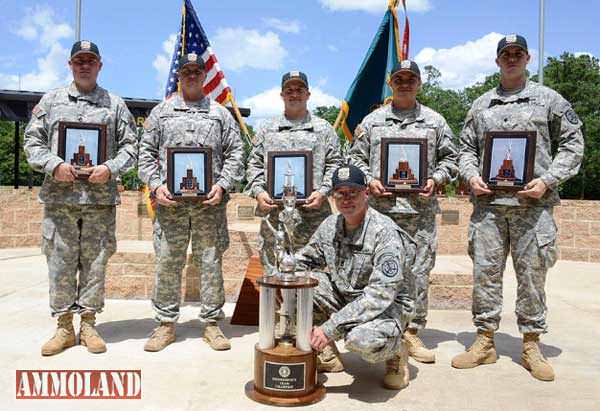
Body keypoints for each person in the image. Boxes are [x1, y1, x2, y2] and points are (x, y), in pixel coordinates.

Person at [453, 34, 584, 381]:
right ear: (497, 61)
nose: (511, 59)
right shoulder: (481, 105)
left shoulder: (549, 101)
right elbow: (465, 149)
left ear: (528, 59)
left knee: (532, 277)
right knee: (485, 275)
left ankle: (530, 343)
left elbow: (573, 143)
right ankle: (484, 341)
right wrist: (470, 174)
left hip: (532, 206)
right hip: (489, 207)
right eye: (505, 54)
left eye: (517, 54)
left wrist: (548, 180)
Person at [24, 40, 138, 355]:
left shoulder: (114, 105)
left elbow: (132, 146)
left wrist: (110, 168)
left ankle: (88, 323)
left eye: (90, 60)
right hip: (60, 199)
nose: (84, 65)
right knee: (60, 263)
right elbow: (32, 141)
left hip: (99, 201)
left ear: (100, 65)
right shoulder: (51, 101)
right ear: (70, 65)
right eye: (79, 61)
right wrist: (54, 164)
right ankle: (63, 326)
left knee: (95, 263)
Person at [349, 60, 458, 363]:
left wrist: (437, 179)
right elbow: (355, 157)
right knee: (375, 269)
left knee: (418, 274)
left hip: (419, 214)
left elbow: (452, 159)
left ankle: (411, 333)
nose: (405, 84)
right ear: (391, 83)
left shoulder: (435, 121)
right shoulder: (372, 122)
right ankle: (376, 325)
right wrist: (369, 179)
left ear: (420, 83)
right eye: (399, 79)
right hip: (381, 213)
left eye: (411, 79)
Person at [138, 52, 244, 352]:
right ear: (179, 75)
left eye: (197, 71)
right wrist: (156, 186)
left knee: (210, 262)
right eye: (187, 71)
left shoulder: (220, 114)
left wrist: (223, 185)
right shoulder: (162, 112)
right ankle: (165, 324)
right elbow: (145, 154)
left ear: (204, 74)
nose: (192, 75)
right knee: (168, 262)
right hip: (170, 206)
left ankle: (211, 323)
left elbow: (236, 152)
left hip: (209, 206)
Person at [296, 165, 416, 390]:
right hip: (347, 296)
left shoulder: (384, 232)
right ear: (333, 197)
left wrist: (330, 328)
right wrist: (280, 274)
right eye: (340, 193)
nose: (346, 199)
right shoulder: (330, 225)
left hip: (387, 307)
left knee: (360, 340)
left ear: (366, 194)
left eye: (353, 192)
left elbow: (380, 295)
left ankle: (396, 351)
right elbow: (304, 261)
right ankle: (328, 355)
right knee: (295, 283)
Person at [245, 71, 342, 275]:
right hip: (275, 216)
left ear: (308, 94)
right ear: (282, 95)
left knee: (314, 273)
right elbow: (253, 165)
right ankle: (276, 308)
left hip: (313, 217)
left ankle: (309, 308)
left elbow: (336, 164)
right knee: (274, 273)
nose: (294, 94)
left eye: (299, 90)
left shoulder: (323, 129)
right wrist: (259, 193)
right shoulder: (266, 129)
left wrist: (323, 192)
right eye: (289, 90)